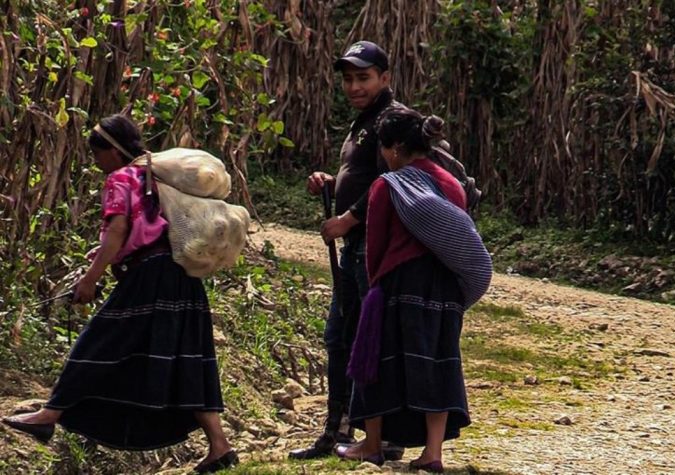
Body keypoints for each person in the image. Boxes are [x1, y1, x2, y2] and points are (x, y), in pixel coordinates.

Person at [1, 114, 237, 474]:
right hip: (181, 278)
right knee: (188, 358)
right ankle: (220, 446)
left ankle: (49, 414)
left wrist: (90, 279)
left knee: (98, 342)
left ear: (112, 151)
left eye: (97, 154)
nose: (95, 162)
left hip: (148, 279)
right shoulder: (156, 177)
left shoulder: (121, 178)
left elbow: (118, 230)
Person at [335, 109, 492, 472]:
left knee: (374, 360)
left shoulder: (387, 185)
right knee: (437, 361)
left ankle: (372, 445)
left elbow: (377, 245)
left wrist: (374, 287)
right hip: (447, 284)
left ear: (394, 149)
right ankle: (432, 454)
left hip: (402, 283)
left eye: (383, 147)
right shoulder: (452, 183)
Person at [289, 41, 406, 461]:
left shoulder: (391, 120)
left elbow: (390, 182)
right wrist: (331, 184)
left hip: (372, 247)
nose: (354, 86)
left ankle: (382, 435)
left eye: (364, 77)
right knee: (340, 338)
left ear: (385, 77)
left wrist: (347, 220)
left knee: (363, 338)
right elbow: (364, 177)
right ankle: (338, 430)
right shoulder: (365, 120)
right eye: (349, 79)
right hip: (356, 245)